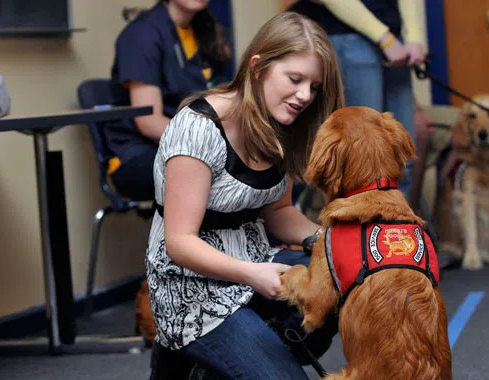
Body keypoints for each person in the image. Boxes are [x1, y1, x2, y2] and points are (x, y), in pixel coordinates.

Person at [145, 11, 344, 379]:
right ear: (258, 67)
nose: (304, 96)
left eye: (314, 87)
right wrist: (252, 274)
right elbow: (179, 242)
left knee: (341, 277)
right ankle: (191, 361)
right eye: (295, 79)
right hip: (190, 286)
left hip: (254, 257)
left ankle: (230, 361)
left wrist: (326, 242)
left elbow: (279, 212)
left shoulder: (279, 120)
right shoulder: (199, 126)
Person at [287, 0, 429, 210]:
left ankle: (398, 233)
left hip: (397, 41)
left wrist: (414, 38)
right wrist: (385, 38)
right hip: (352, 38)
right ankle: (361, 238)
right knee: (363, 161)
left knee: (403, 159)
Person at [104, 0, 231, 201]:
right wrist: (215, 145)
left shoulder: (205, 32)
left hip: (194, 145)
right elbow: (149, 122)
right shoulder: (142, 34)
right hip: (139, 154)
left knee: (269, 175)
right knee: (237, 179)